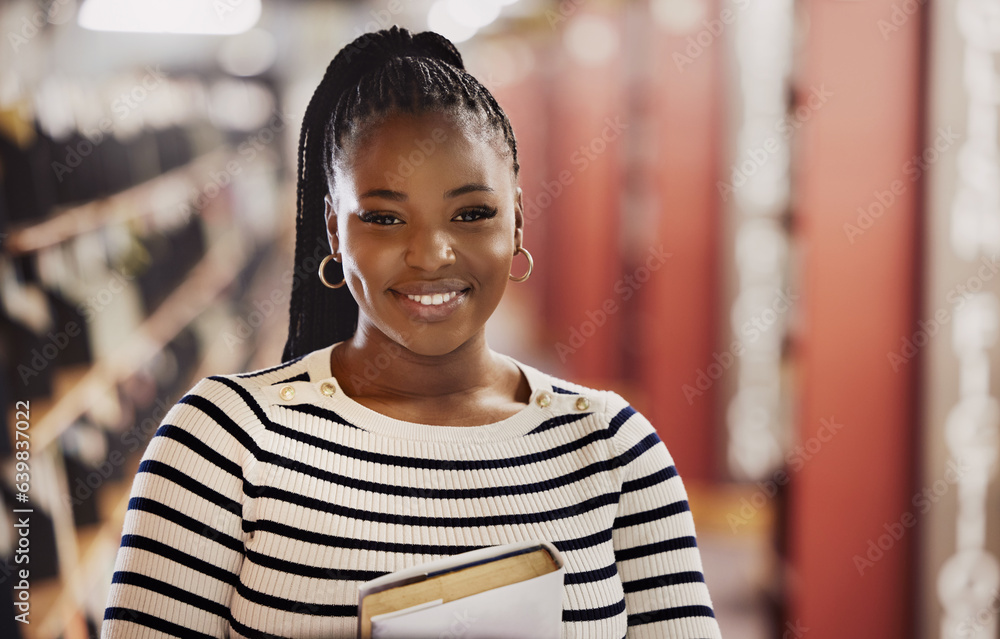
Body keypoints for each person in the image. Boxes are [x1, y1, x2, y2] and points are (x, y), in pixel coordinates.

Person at [101, 25, 723, 639]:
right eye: (384, 217)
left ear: (517, 222)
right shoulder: (223, 445)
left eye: (472, 213)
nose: (431, 254)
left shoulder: (616, 450)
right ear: (335, 231)